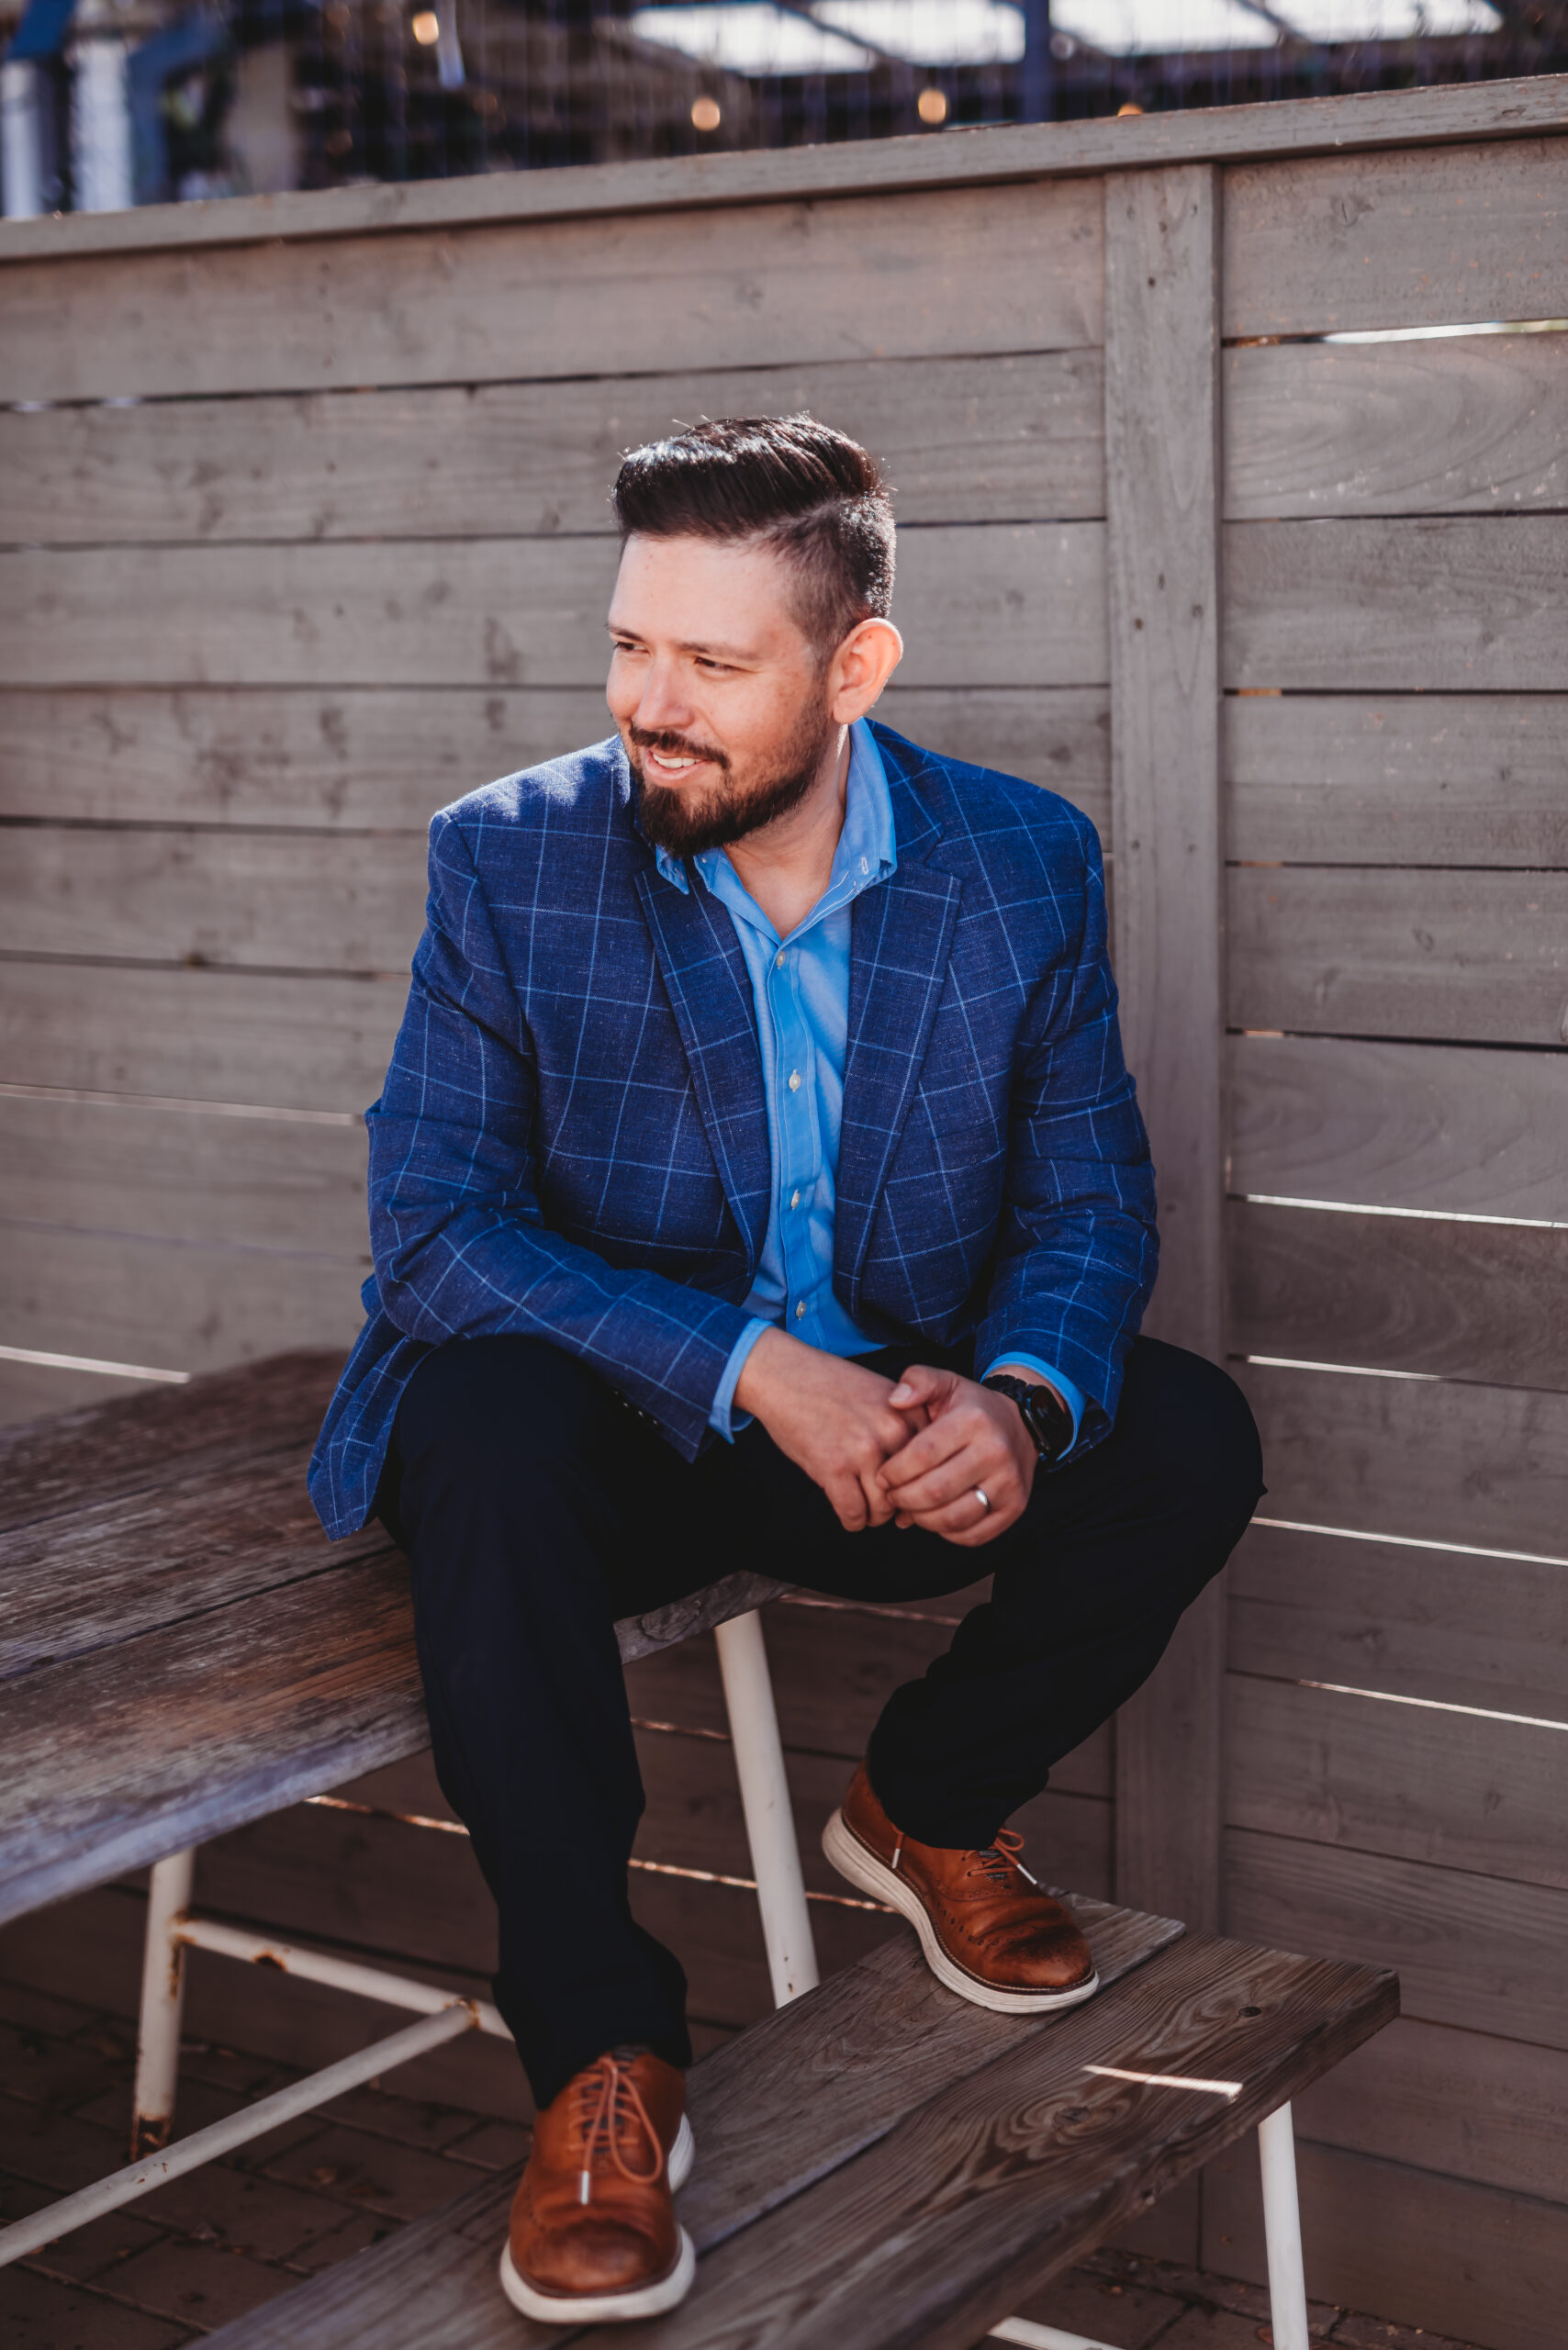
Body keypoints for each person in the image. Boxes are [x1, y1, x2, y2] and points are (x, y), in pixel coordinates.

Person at [308, 416, 1262, 2325]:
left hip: (880, 1438)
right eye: (630, 646)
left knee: (1179, 1433)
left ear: (854, 667)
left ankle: (925, 1796)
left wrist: (1014, 1396)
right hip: (615, 1435)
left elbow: (1084, 1200)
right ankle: (601, 2060)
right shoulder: (511, 859)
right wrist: (755, 1365)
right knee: (474, 1421)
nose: (648, 707)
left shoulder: (1016, 864)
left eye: (712, 665)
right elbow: (431, 1232)